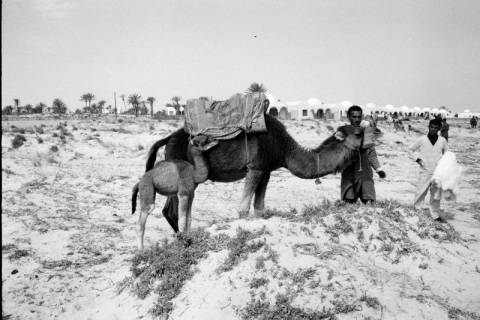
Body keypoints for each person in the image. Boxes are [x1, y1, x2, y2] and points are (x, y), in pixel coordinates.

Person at [341, 105, 386, 204]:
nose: (356, 119)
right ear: (349, 117)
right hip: (349, 173)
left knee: (369, 200)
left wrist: (379, 169)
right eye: (354, 116)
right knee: (348, 203)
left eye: (359, 117)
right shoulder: (342, 133)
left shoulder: (367, 134)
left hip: (365, 173)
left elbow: (372, 154)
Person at [409, 119, 448, 223]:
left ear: (439, 129)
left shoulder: (442, 140)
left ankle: (435, 215)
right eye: (431, 127)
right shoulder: (422, 139)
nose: (433, 129)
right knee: (421, 191)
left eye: (436, 128)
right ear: (428, 127)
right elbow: (410, 150)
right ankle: (417, 210)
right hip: (425, 170)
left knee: (436, 194)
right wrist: (417, 159)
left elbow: (447, 154)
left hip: (437, 172)